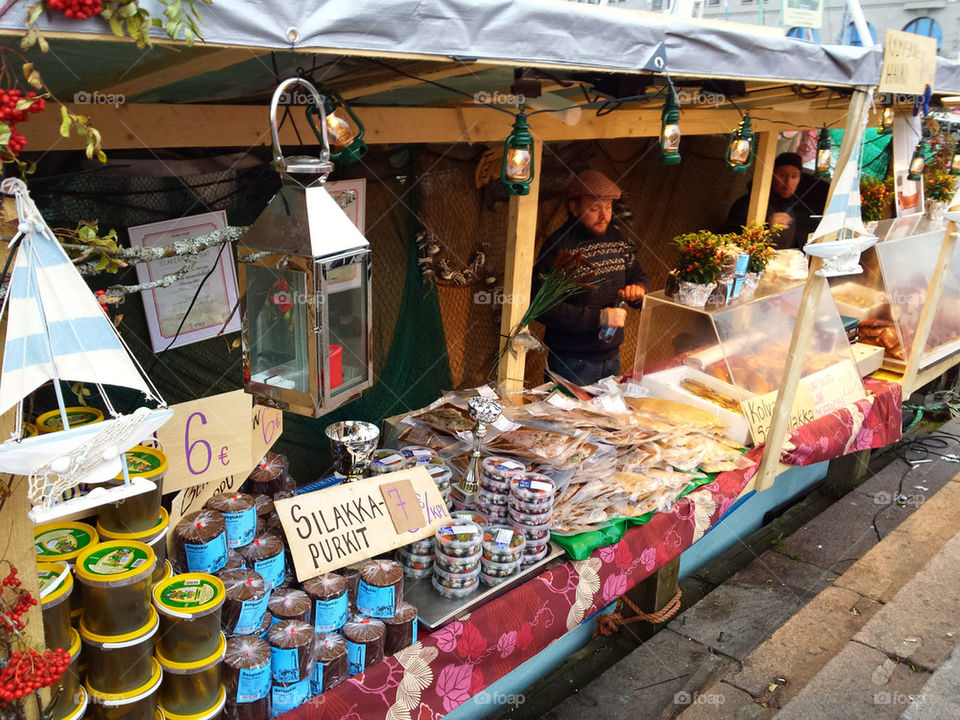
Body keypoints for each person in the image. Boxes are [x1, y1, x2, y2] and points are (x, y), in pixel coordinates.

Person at [532, 170, 648, 386]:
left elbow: (637, 274)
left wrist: (638, 290)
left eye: (608, 207)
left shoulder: (615, 237)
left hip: (612, 357)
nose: (604, 216)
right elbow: (542, 307)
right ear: (574, 208)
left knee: (606, 419)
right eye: (594, 208)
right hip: (572, 362)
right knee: (569, 420)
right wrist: (600, 318)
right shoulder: (559, 246)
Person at [723, 152, 828, 249]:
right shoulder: (748, 203)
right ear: (771, 176)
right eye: (782, 175)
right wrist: (766, 226)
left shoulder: (799, 206)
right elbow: (728, 239)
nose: (788, 182)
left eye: (794, 176)